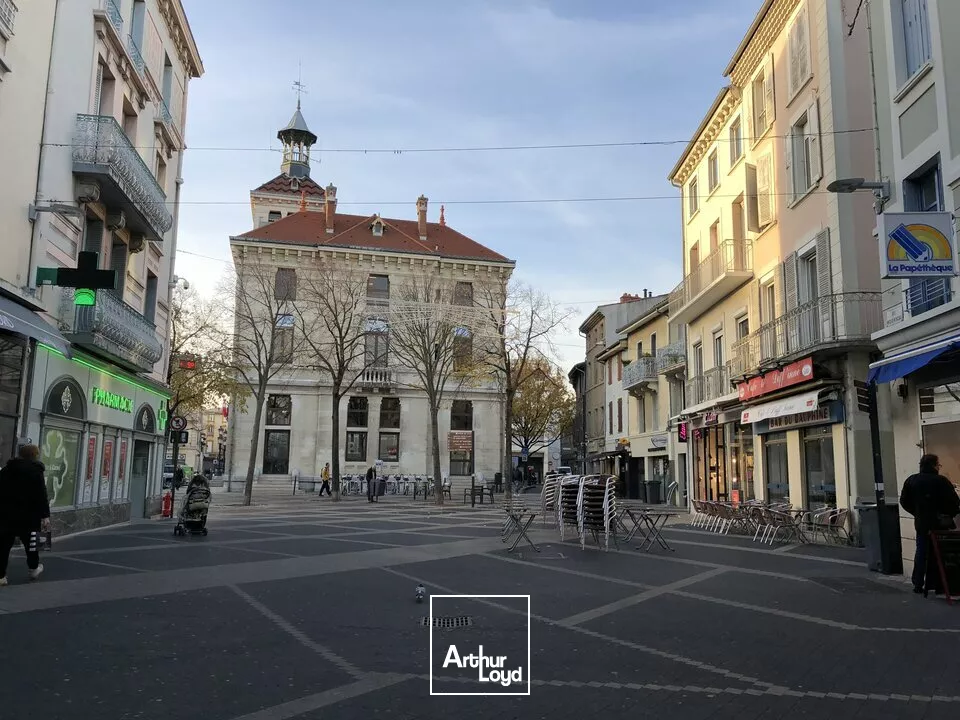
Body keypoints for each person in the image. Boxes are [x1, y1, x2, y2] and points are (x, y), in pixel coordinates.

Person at [900, 454, 960, 595]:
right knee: (942, 553)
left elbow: (904, 501)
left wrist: (917, 512)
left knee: (921, 552)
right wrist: (948, 513)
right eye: (938, 465)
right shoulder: (942, 481)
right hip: (940, 523)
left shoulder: (912, 480)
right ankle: (940, 584)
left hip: (922, 523)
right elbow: (954, 503)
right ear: (934, 465)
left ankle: (918, 583)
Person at [0, 444, 51, 585]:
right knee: (32, 544)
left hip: (6, 514)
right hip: (30, 515)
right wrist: (45, 516)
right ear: (35, 455)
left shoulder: (6, 470)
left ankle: (1, 576)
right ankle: (34, 569)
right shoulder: (36, 471)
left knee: (3, 546)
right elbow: (42, 495)